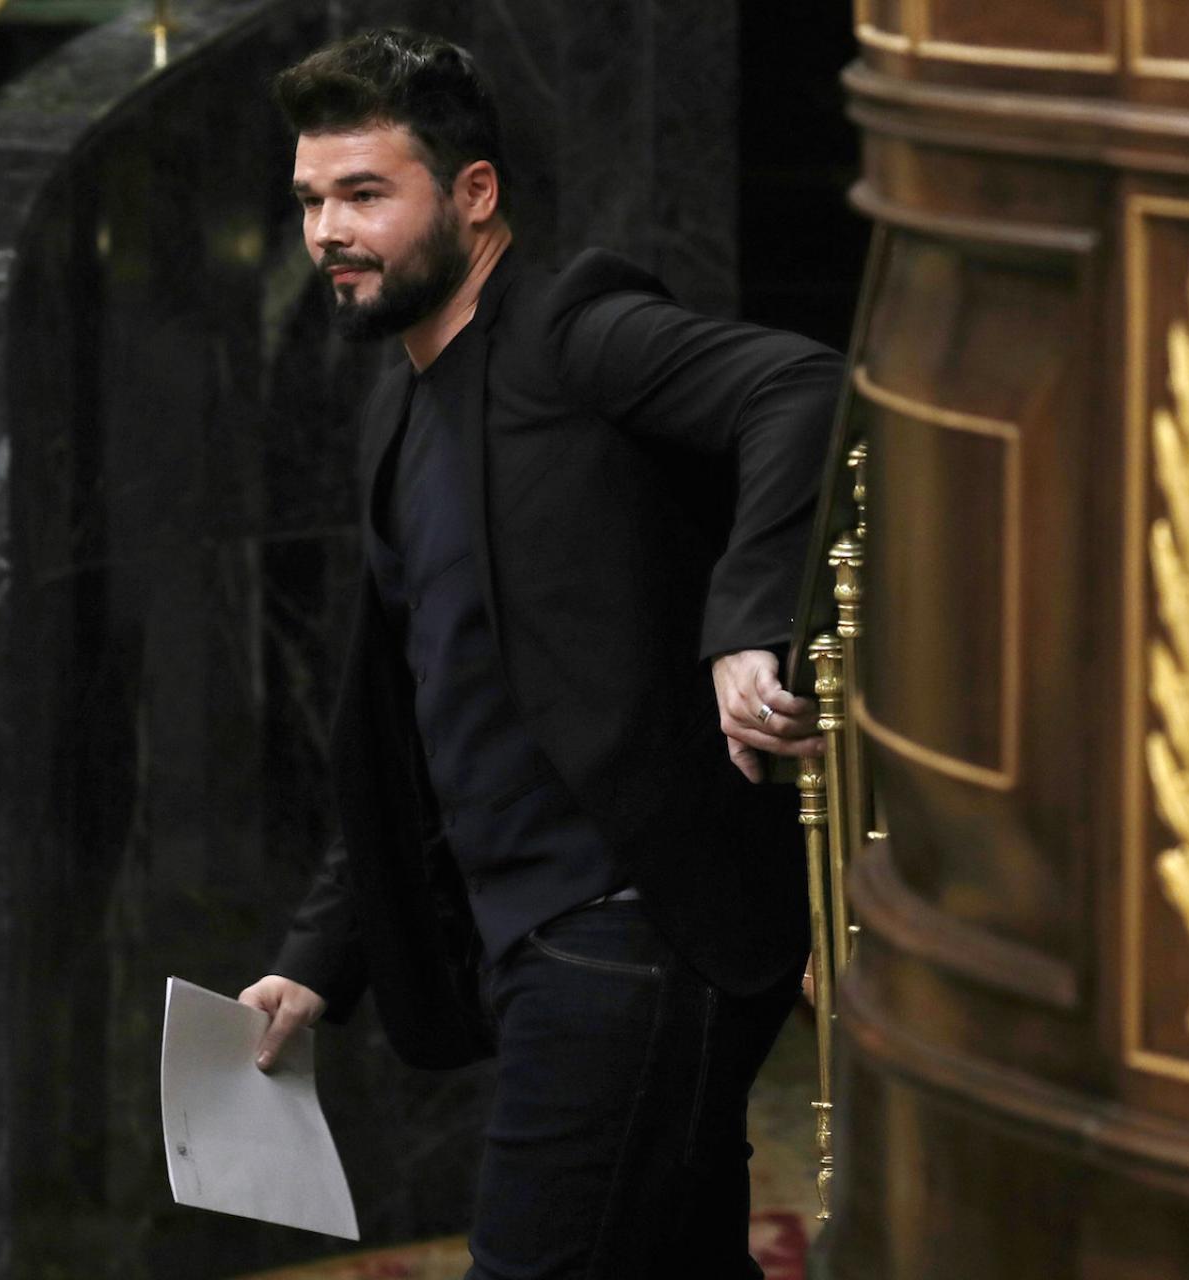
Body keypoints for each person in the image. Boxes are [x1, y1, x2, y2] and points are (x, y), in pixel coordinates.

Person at [238, 28, 842, 1279]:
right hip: (524, 945)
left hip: (630, 930)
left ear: (472, 194)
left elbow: (800, 386)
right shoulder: (398, 404)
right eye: (309, 199)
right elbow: (413, 722)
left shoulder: (572, 327)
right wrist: (314, 961)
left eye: (363, 194)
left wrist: (745, 622)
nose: (326, 232)